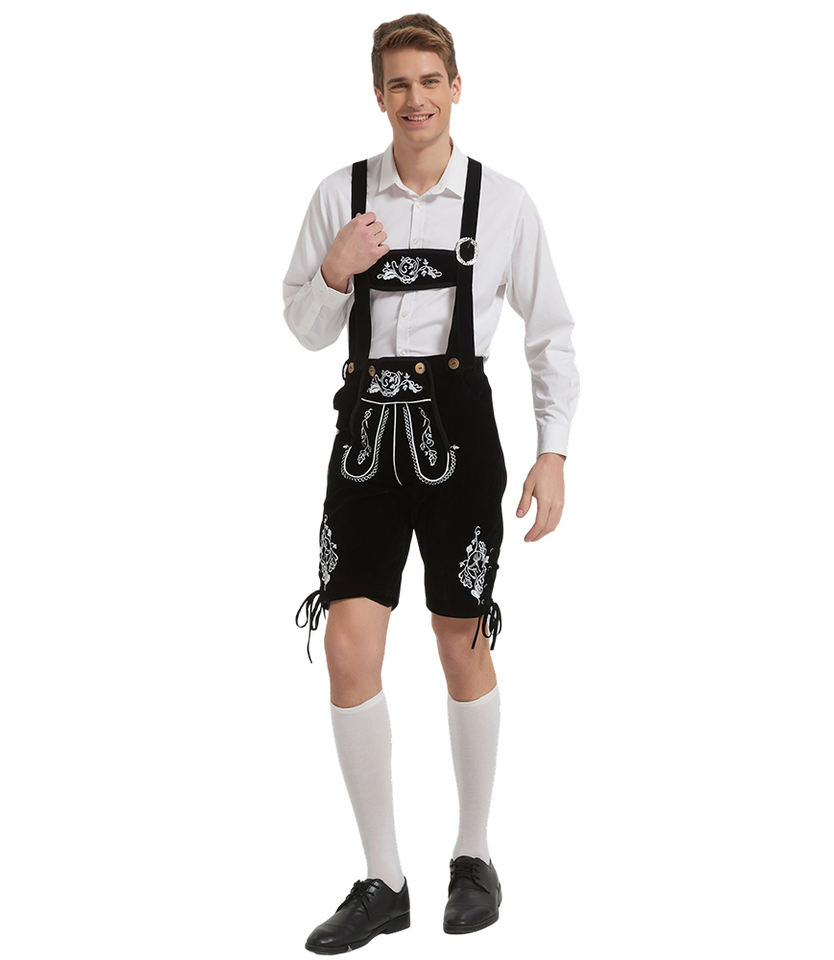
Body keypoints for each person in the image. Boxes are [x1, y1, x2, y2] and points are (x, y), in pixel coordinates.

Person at [282, 13, 580, 953]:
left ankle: (474, 857)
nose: (416, 99)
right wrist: (336, 271)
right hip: (364, 442)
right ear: (379, 96)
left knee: (461, 641)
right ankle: (383, 881)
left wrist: (553, 451)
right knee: (348, 648)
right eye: (398, 84)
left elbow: (551, 333)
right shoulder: (340, 194)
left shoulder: (503, 202)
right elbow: (304, 327)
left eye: (430, 80)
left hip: (461, 440)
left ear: (456, 87)